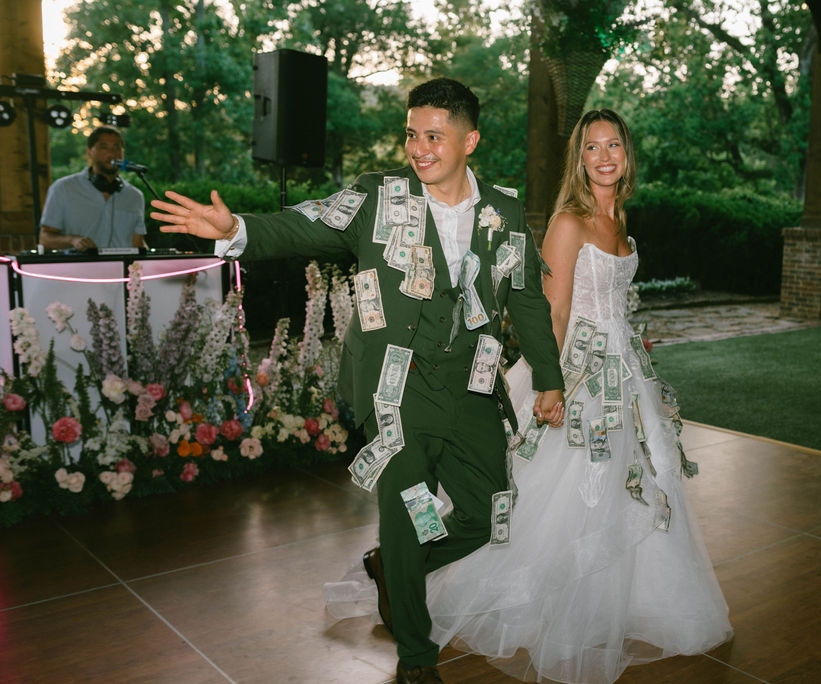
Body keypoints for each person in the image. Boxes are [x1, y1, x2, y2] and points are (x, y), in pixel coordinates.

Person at [152, 78, 566, 684]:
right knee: (405, 508)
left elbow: (526, 299)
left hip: (472, 385)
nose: (418, 148)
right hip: (397, 388)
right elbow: (302, 227)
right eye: (410, 135)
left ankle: (391, 566)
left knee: (489, 511)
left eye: (434, 136)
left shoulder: (502, 211)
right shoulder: (378, 198)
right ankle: (417, 658)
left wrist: (550, 377)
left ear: (469, 140)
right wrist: (234, 229)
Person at [415, 109, 733, 683]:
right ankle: (436, 576)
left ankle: (635, 602)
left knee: (646, 478)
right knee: (559, 494)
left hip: (626, 373)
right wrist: (547, 383)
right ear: (579, 159)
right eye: (592, 148)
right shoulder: (570, 221)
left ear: (626, 154)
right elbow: (551, 310)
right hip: (577, 370)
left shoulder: (621, 218)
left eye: (614, 146)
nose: (604, 156)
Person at [40, 125, 148, 251]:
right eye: (104, 147)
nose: (112, 153)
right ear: (89, 152)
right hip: (79, 269)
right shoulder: (63, 188)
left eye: (117, 148)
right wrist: (73, 240)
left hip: (122, 270)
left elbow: (138, 244)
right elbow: (45, 238)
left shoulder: (135, 196)